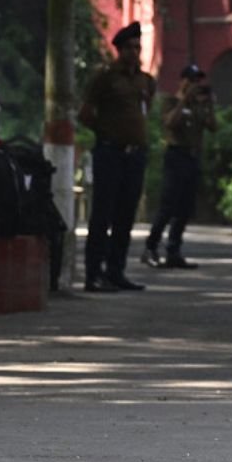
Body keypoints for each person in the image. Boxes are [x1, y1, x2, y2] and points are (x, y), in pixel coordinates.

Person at [78, 21, 154, 293]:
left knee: (125, 216)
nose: (135, 52)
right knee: (102, 215)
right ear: (120, 50)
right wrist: (107, 132)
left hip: (135, 156)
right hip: (110, 152)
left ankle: (116, 271)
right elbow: (85, 113)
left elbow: (145, 110)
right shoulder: (106, 77)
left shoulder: (145, 81)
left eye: (138, 47)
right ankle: (93, 274)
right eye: (130, 48)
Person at [142, 63, 216, 270]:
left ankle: (173, 251)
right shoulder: (171, 101)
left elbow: (212, 126)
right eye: (191, 80)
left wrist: (208, 104)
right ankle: (151, 247)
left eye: (198, 81)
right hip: (176, 156)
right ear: (182, 81)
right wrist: (184, 99)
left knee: (184, 208)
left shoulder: (198, 106)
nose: (195, 85)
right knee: (168, 206)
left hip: (193, 157)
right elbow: (169, 123)